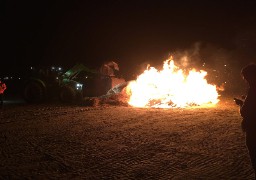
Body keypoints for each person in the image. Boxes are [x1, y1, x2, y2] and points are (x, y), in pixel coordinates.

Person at [236, 63, 256, 177]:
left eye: (247, 77)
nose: (246, 80)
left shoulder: (253, 89)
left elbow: (246, 112)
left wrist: (240, 104)